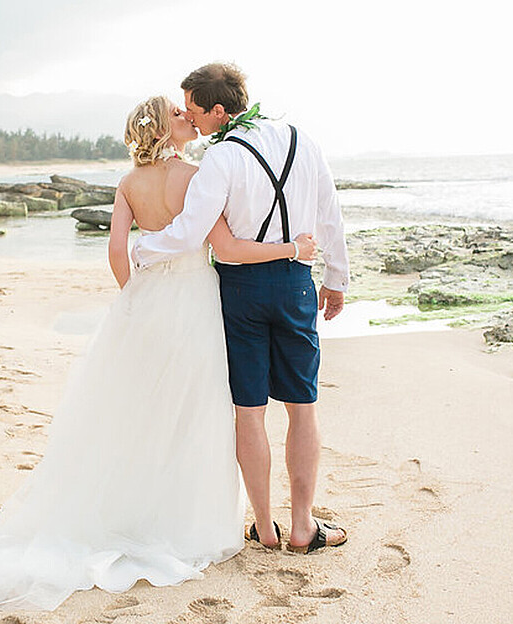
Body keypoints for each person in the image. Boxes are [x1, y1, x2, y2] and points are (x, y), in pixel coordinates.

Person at [0, 95, 317, 611]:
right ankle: (185, 519)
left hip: (147, 301)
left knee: (140, 412)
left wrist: (136, 299)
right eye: (178, 113)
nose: (187, 118)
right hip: (196, 299)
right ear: (164, 129)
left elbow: (116, 251)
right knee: (196, 412)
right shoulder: (195, 177)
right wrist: (287, 249)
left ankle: (138, 509)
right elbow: (223, 245)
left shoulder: (128, 184)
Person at [132, 63, 351, 554]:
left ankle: (267, 529)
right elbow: (329, 212)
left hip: (240, 292)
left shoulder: (220, 158)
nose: (190, 119)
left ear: (217, 109)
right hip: (295, 283)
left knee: (248, 412)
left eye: (193, 110)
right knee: (302, 407)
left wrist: (143, 252)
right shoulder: (302, 139)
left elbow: (192, 231)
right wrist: (336, 278)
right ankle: (303, 527)